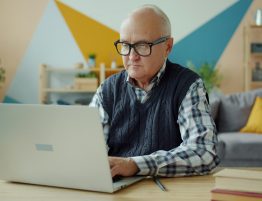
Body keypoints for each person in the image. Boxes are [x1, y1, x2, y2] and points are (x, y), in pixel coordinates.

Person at [89, 4, 219, 178]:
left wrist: (135, 165)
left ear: (167, 46)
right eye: (125, 45)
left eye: (142, 46)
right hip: (116, 189)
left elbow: (203, 152)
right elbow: (87, 150)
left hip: (168, 191)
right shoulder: (107, 90)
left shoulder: (188, 85)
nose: (132, 56)